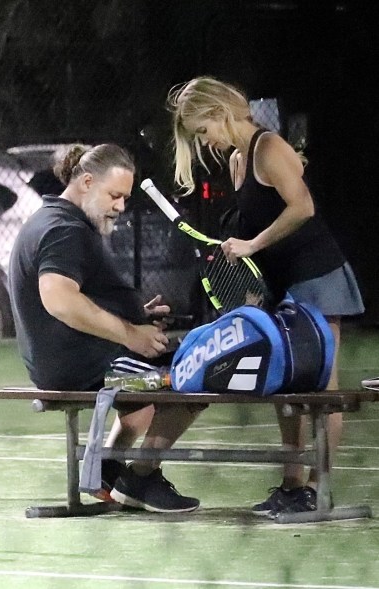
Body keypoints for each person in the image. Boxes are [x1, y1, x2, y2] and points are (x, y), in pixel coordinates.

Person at [167, 76, 365, 518]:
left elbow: (303, 207)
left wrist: (252, 245)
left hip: (317, 278)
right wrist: (240, 257)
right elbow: (255, 224)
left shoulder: (270, 147)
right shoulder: (239, 161)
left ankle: (320, 488)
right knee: (283, 383)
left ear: (219, 112)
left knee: (320, 389)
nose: (206, 141)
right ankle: (293, 486)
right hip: (279, 286)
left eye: (203, 129)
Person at [8, 142, 203, 513]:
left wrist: (131, 315)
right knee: (200, 370)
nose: (120, 206)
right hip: (79, 364)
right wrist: (130, 333)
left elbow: (77, 295)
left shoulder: (55, 219)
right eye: (115, 195)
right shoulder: (65, 230)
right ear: (85, 182)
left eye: (125, 198)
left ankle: (106, 470)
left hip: (71, 358)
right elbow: (60, 299)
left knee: (160, 376)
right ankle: (141, 477)